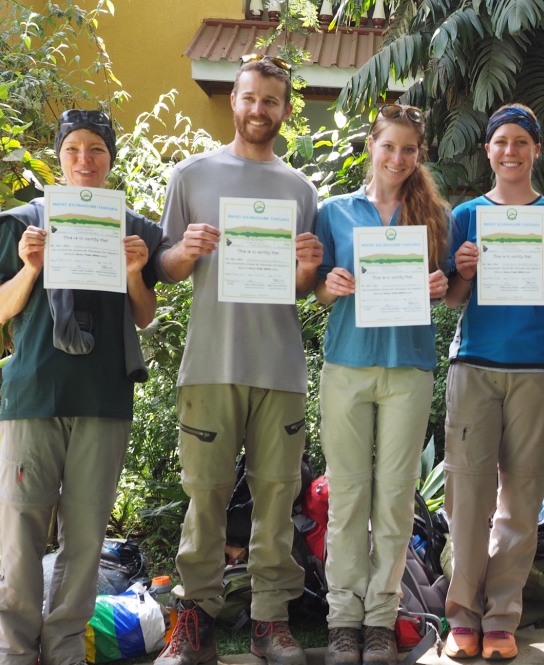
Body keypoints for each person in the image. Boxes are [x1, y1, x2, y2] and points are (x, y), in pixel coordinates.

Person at [0, 109, 162, 665]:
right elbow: (0, 310)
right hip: (34, 398)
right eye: (74, 148)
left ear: (110, 159)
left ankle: (63, 649)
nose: (85, 160)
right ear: (59, 155)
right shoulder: (22, 223)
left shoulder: (130, 226)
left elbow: (144, 316)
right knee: (22, 528)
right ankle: (14, 649)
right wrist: (31, 268)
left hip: (104, 400)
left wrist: (134, 275)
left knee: (84, 537)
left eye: (97, 150)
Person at [152, 56, 323, 665]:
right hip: (210, 365)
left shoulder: (301, 190)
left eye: (271, 102)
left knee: (278, 500)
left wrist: (305, 271)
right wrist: (185, 251)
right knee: (205, 497)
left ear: (283, 109)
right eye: (250, 98)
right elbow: (164, 269)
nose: (259, 110)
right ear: (235, 100)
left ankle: (270, 623)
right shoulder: (192, 176)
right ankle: (193, 624)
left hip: (279, 368)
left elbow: (305, 287)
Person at [440, 105, 544, 661]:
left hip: (535, 368)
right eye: (501, 142)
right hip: (474, 364)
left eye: (522, 141)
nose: (511, 151)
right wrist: (465, 272)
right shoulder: (466, 215)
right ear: (488, 152)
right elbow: (451, 298)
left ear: (536, 151)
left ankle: (502, 618)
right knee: (468, 497)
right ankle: (462, 617)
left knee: (521, 502)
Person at [314, 103, 450, 665]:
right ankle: (343, 620)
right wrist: (331, 285)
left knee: (395, 500)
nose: (398, 158)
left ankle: (381, 619)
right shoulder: (334, 213)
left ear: (419, 154)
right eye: (388, 146)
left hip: (409, 368)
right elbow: (315, 291)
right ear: (371, 145)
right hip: (347, 365)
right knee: (347, 497)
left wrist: (442, 286)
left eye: (409, 149)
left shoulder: (433, 215)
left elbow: (451, 286)